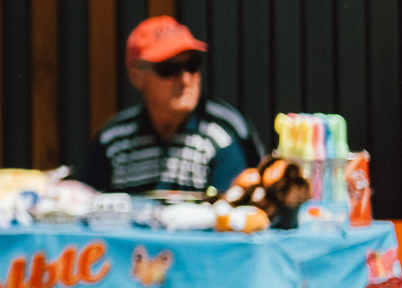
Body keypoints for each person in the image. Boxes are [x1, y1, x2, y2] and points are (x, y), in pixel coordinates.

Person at [77, 16, 263, 196]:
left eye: (192, 65)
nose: (185, 79)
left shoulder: (225, 131)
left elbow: (236, 212)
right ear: (136, 74)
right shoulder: (113, 137)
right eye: (168, 69)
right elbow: (82, 204)